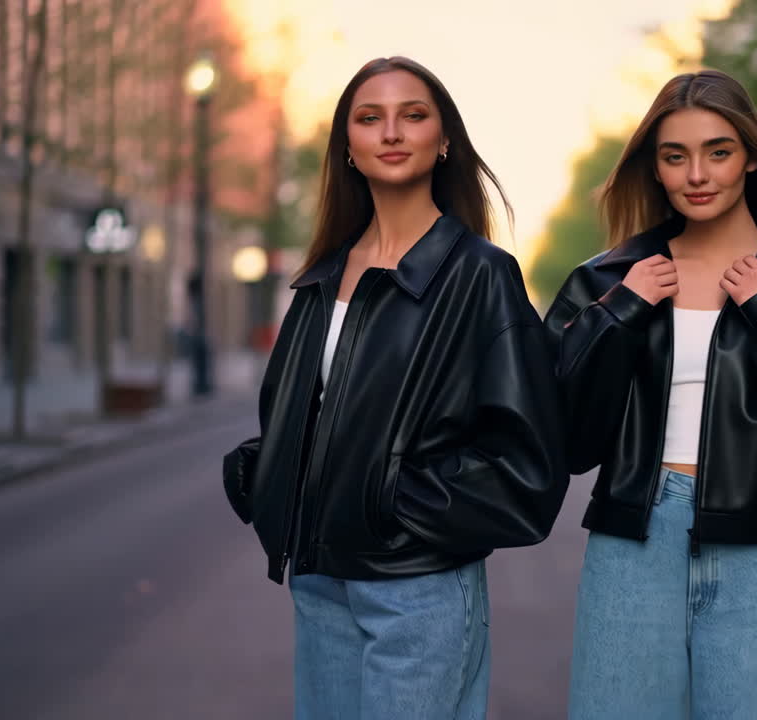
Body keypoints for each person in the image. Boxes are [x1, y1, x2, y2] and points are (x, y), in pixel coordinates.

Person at [223, 56, 568, 720]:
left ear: (443, 142)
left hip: (419, 583)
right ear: (347, 148)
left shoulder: (480, 275)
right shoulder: (321, 278)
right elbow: (305, 416)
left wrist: (397, 502)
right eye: (369, 117)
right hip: (319, 578)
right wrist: (267, 474)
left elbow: (528, 458)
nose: (391, 132)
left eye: (413, 115)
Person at [545, 70, 757, 719]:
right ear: (655, 168)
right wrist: (619, 313)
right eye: (675, 156)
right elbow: (559, 434)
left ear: (752, 158)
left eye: (718, 151)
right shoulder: (607, 279)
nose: (697, 174)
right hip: (629, 543)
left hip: (751, 546)